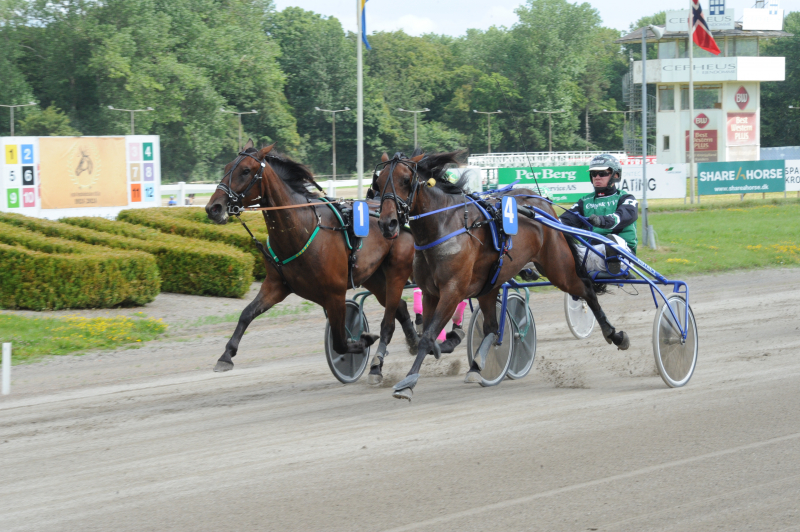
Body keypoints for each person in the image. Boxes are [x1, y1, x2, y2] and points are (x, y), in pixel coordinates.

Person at [559, 154, 638, 274]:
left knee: (613, 242)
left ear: (616, 175)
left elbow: (622, 217)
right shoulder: (584, 201)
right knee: (559, 246)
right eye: (594, 173)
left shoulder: (626, 198)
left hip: (623, 254)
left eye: (602, 173)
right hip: (588, 252)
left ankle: (612, 260)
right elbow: (564, 221)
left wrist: (601, 221)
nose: (597, 177)